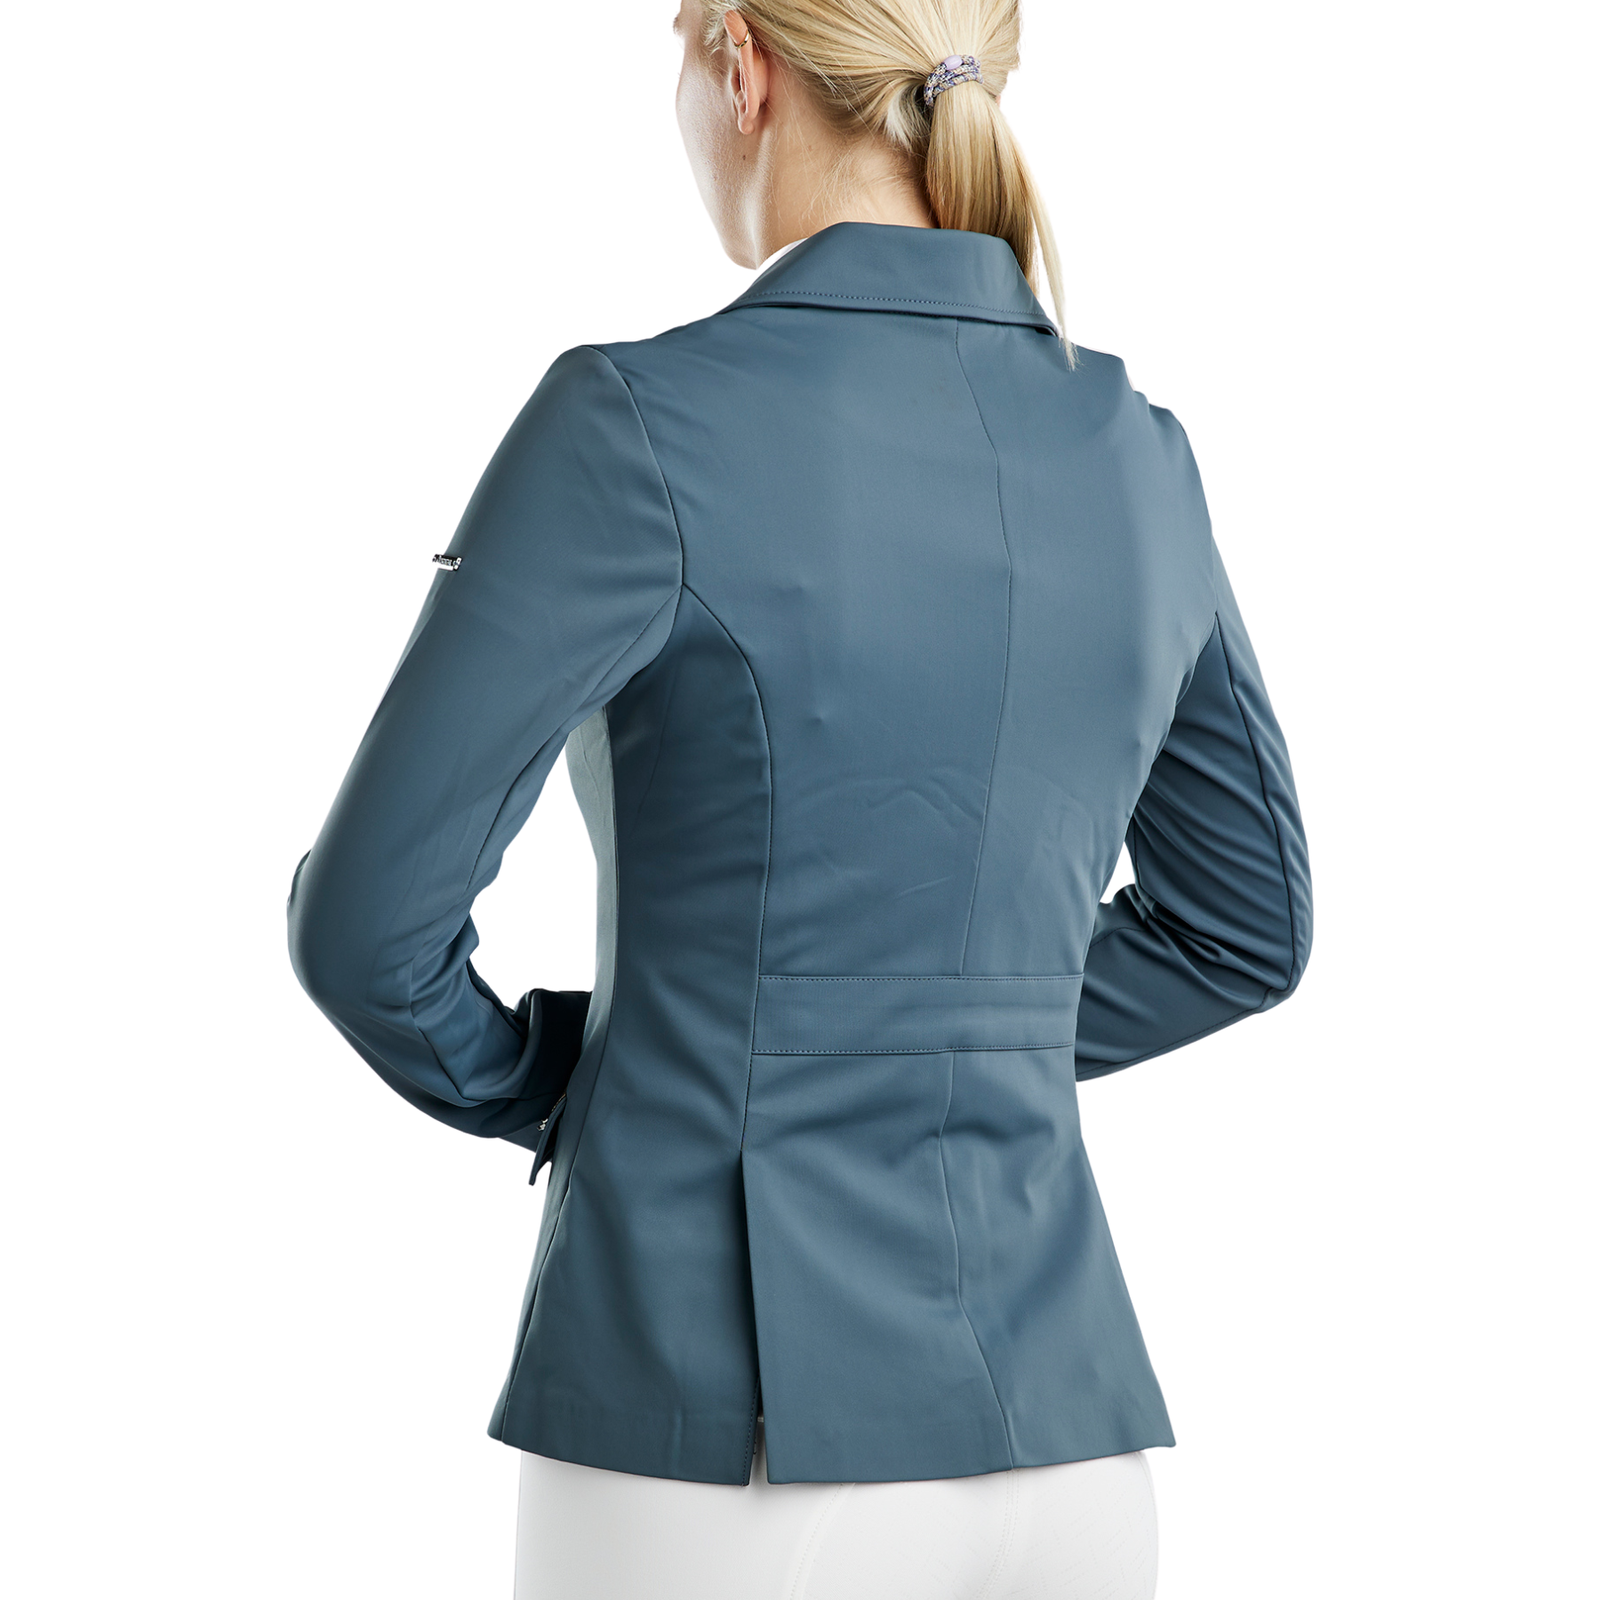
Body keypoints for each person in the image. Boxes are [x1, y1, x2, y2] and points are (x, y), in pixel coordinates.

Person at [286, 1, 1312, 1594]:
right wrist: (946, 1033)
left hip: (728, 1451)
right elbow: (1245, 929)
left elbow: (364, 929)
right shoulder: (1139, 451)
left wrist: (581, 1071)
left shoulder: (634, 426)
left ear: (739, 62)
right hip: (1071, 1461)